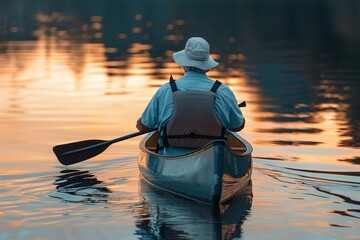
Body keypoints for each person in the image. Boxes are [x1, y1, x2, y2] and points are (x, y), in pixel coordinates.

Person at [136, 37, 245, 156]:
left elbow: (144, 126)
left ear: (183, 64)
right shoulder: (223, 91)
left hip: (171, 157)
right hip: (214, 156)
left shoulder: (166, 90)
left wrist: (151, 123)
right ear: (207, 66)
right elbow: (237, 126)